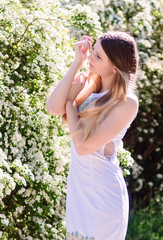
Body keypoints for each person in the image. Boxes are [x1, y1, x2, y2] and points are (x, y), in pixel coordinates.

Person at [46, 31, 139, 240]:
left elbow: (84, 146)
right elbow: (52, 107)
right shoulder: (91, 88)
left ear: (115, 66)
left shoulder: (126, 103)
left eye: (98, 56)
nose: (90, 57)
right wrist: (76, 63)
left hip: (102, 197)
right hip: (79, 193)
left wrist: (71, 103)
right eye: (92, 52)